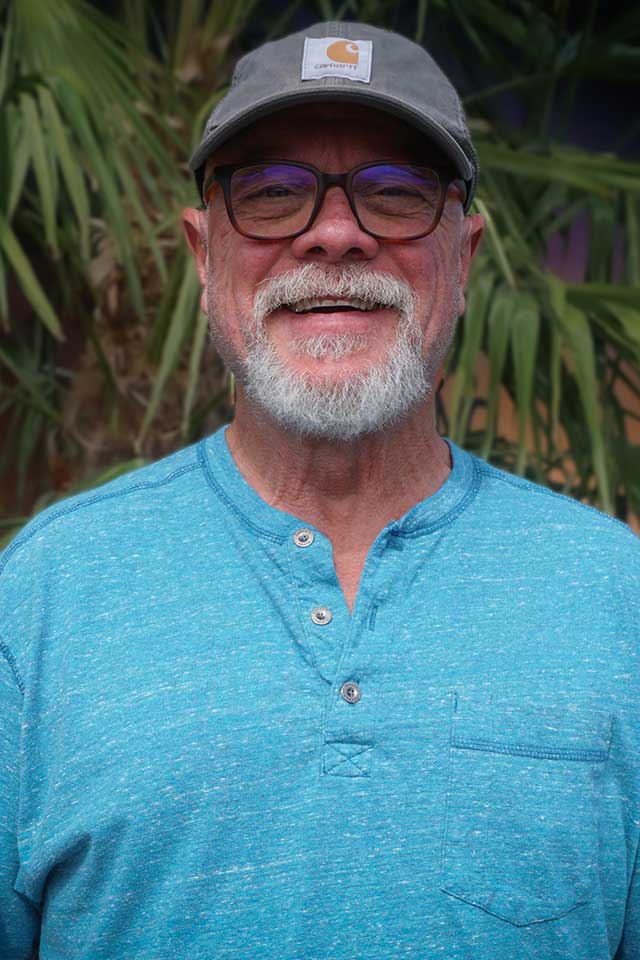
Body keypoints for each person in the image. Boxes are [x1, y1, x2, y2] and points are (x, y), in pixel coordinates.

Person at [0, 20, 638, 960]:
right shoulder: (44, 596)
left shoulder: (614, 598)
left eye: (396, 193)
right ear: (201, 253)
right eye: (269, 193)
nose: (334, 234)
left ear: (465, 256)